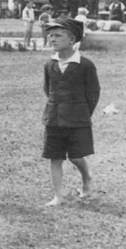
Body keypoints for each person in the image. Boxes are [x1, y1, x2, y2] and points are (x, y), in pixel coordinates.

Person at [41, 17, 100, 205]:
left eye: (58, 36)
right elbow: (48, 88)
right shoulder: (49, 64)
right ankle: (58, 195)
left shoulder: (85, 65)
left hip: (77, 120)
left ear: (72, 40)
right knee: (55, 157)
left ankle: (86, 177)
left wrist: (81, 113)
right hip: (54, 119)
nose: (53, 39)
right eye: (50, 35)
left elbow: (93, 94)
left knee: (76, 156)